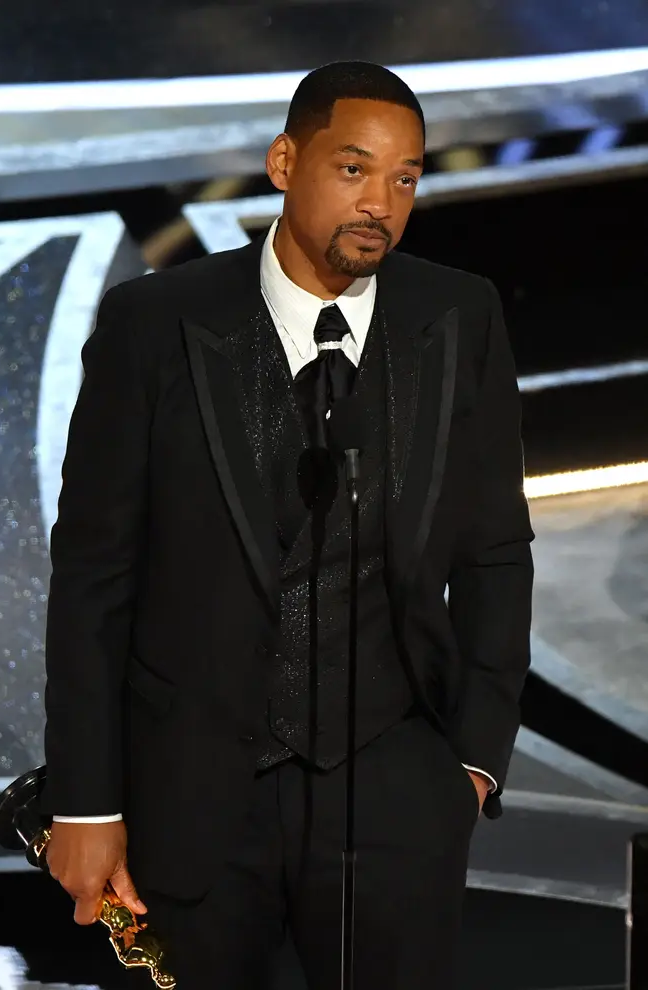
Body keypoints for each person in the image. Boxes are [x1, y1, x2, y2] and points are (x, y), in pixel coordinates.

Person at [42, 61, 534, 989]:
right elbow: (95, 577)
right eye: (354, 169)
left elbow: (497, 550)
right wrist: (85, 802)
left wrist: (472, 761)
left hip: (397, 788)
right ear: (283, 163)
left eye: (406, 177)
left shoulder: (458, 316)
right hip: (194, 793)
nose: (380, 202)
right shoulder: (155, 323)